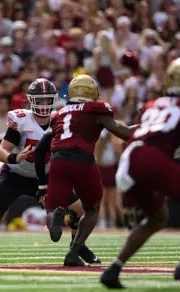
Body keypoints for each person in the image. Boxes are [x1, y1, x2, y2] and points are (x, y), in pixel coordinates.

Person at [101, 58, 180, 288]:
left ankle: (113, 269)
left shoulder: (153, 104)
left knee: (158, 219)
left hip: (130, 159)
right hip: (152, 159)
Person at [0, 79, 99, 266]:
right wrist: (15, 158)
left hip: (45, 176)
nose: (43, 104)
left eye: (47, 100)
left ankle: (78, 247)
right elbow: (2, 151)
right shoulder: (21, 119)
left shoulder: (59, 119)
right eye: (39, 100)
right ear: (30, 100)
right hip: (15, 174)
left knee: (80, 209)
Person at [41, 74, 132, 266]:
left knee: (52, 208)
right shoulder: (96, 108)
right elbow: (119, 131)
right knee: (91, 209)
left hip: (58, 161)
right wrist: (146, 131)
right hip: (82, 160)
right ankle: (73, 252)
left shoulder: (59, 113)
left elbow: (45, 143)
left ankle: (58, 213)